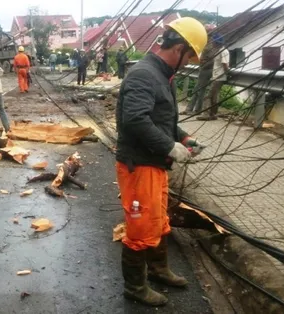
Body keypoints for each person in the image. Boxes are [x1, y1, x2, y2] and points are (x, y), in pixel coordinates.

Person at [115, 17, 207, 306]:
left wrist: (183, 138)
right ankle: (135, 288)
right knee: (141, 227)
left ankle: (157, 270)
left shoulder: (163, 74)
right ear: (179, 48)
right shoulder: (144, 74)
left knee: (158, 220)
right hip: (139, 165)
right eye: (190, 56)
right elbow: (135, 121)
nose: (190, 62)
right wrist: (170, 146)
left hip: (154, 164)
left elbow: (161, 117)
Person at [182, 24, 217, 115]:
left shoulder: (211, 44)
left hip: (206, 69)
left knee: (200, 90)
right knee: (197, 89)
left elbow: (212, 59)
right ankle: (190, 109)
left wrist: (203, 63)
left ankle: (196, 109)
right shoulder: (208, 42)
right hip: (204, 68)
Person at [198, 33, 229, 121]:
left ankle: (206, 114)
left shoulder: (223, 51)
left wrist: (227, 73)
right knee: (214, 97)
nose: (213, 44)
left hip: (218, 77)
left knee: (208, 96)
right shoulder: (219, 51)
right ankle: (213, 114)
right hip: (216, 76)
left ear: (217, 43)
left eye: (214, 42)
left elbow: (225, 64)